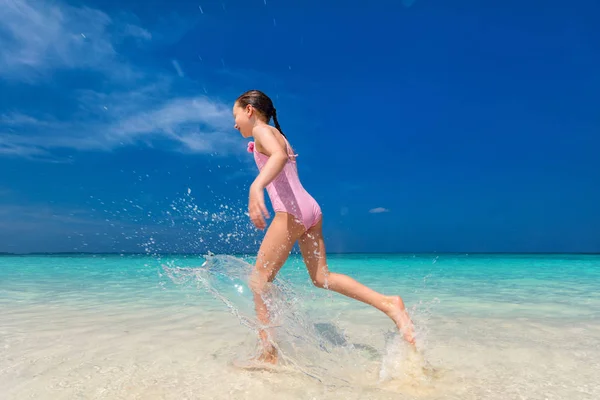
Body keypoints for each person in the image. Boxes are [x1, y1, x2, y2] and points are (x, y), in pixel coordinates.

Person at [232, 89, 416, 364]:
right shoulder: (277, 134)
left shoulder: (263, 131)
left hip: (290, 212)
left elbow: (279, 157)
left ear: (249, 110)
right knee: (322, 278)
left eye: (235, 115)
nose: (234, 124)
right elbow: (282, 157)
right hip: (311, 210)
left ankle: (268, 353)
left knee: (258, 281)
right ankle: (389, 303)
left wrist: (255, 186)